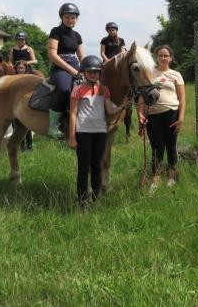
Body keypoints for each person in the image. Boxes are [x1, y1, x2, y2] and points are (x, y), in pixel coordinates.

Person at [68, 55, 129, 207]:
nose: (94, 74)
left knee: (97, 165)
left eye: (96, 72)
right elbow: (73, 114)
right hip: (83, 133)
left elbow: (109, 109)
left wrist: (122, 106)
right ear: (84, 73)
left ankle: (96, 197)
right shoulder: (77, 90)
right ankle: (82, 201)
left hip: (100, 133)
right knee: (84, 168)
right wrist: (72, 137)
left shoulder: (104, 90)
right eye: (90, 71)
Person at [137, 45, 185, 192]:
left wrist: (181, 118)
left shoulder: (176, 75)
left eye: (166, 55)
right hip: (153, 115)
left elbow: (182, 98)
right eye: (160, 55)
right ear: (156, 57)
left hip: (171, 113)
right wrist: (140, 114)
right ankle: (155, 179)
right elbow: (141, 97)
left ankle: (171, 176)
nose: (163, 58)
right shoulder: (149, 73)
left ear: (171, 58)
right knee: (156, 148)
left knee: (171, 146)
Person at [47, 3, 84, 139]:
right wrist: (71, 70)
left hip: (76, 67)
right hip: (59, 68)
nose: (70, 20)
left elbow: (82, 57)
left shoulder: (77, 35)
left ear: (76, 19)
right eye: (67, 17)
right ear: (62, 17)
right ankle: (53, 127)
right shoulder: (56, 31)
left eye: (73, 17)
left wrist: (87, 70)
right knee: (64, 89)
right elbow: (52, 55)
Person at [12, 61, 33, 150]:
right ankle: (22, 146)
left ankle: (30, 145)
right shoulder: (12, 79)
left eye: (22, 68)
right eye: (18, 68)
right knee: (16, 127)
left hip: (26, 105)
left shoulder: (29, 78)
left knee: (27, 126)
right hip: (15, 106)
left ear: (25, 69)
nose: (20, 70)